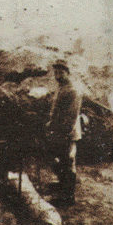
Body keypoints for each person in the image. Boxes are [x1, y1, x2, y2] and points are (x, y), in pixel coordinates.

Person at [45, 59, 82, 206]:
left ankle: (68, 197)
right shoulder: (61, 86)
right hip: (58, 130)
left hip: (67, 132)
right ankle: (62, 186)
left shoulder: (73, 90)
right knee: (60, 161)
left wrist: (62, 132)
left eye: (61, 72)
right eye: (56, 72)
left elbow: (71, 116)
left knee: (67, 162)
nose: (57, 75)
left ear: (68, 73)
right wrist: (51, 124)